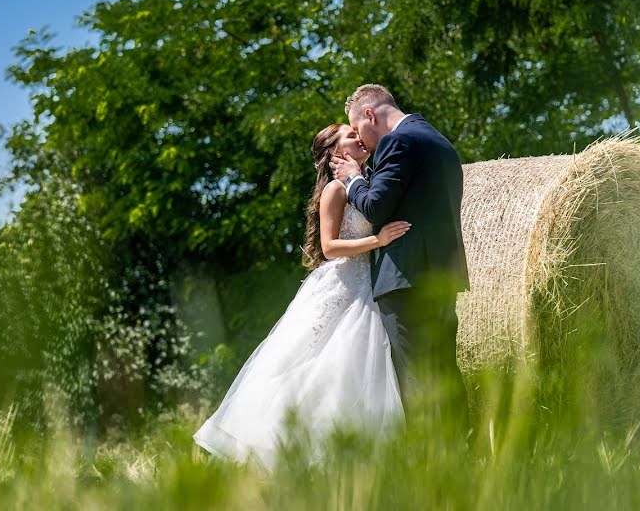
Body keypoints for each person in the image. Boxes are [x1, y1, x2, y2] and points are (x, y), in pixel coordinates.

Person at [193, 124, 409, 470]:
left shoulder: (367, 183)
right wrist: (377, 241)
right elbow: (329, 247)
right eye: (351, 136)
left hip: (368, 284)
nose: (359, 138)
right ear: (337, 153)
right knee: (321, 363)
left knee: (353, 369)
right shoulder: (336, 190)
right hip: (343, 287)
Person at [329, 84, 471, 438]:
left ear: (369, 115)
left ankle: (430, 466)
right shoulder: (441, 143)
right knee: (444, 374)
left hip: (405, 277)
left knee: (415, 380)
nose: (363, 140)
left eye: (357, 128)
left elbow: (377, 207)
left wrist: (353, 179)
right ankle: (464, 459)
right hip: (442, 275)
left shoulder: (398, 141)